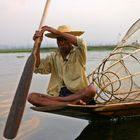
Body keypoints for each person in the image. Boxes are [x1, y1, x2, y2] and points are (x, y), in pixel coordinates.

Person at [28, 25, 97, 107]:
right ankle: (70, 104)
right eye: (59, 39)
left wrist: (57, 33)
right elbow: (37, 67)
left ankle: (63, 103)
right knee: (32, 97)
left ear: (70, 39)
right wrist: (38, 43)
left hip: (78, 94)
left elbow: (81, 42)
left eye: (65, 39)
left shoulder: (79, 53)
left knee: (91, 90)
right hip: (59, 95)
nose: (62, 42)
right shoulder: (53, 56)